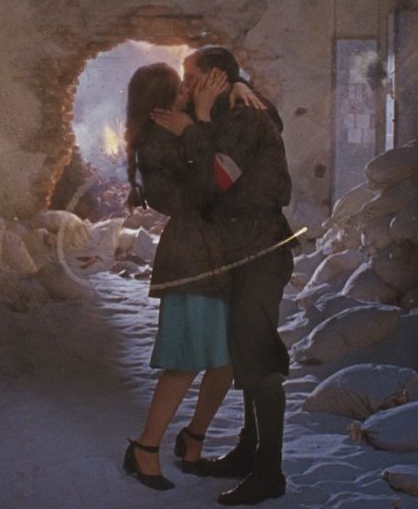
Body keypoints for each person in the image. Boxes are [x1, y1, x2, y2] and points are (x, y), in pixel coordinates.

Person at [151, 46, 294, 505]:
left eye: (191, 76)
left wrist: (193, 124)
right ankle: (249, 451)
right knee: (245, 355)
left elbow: (218, 178)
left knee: (258, 360)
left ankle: (269, 473)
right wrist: (198, 118)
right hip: (239, 252)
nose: (185, 85)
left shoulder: (245, 114)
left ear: (214, 78)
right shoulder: (228, 110)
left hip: (260, 251)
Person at [122, 62, 266, 491]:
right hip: (190, 260)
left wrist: (237, 85)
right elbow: (216, 184)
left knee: (225, 363)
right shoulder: (157, 142)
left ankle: (193, 439)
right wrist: (198, 122)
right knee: (186, 361)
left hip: (218, 256)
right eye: (181, 88)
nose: (190, 90)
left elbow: (231, 133)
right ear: (162, 103)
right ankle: (145, 447)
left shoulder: (183, 126)